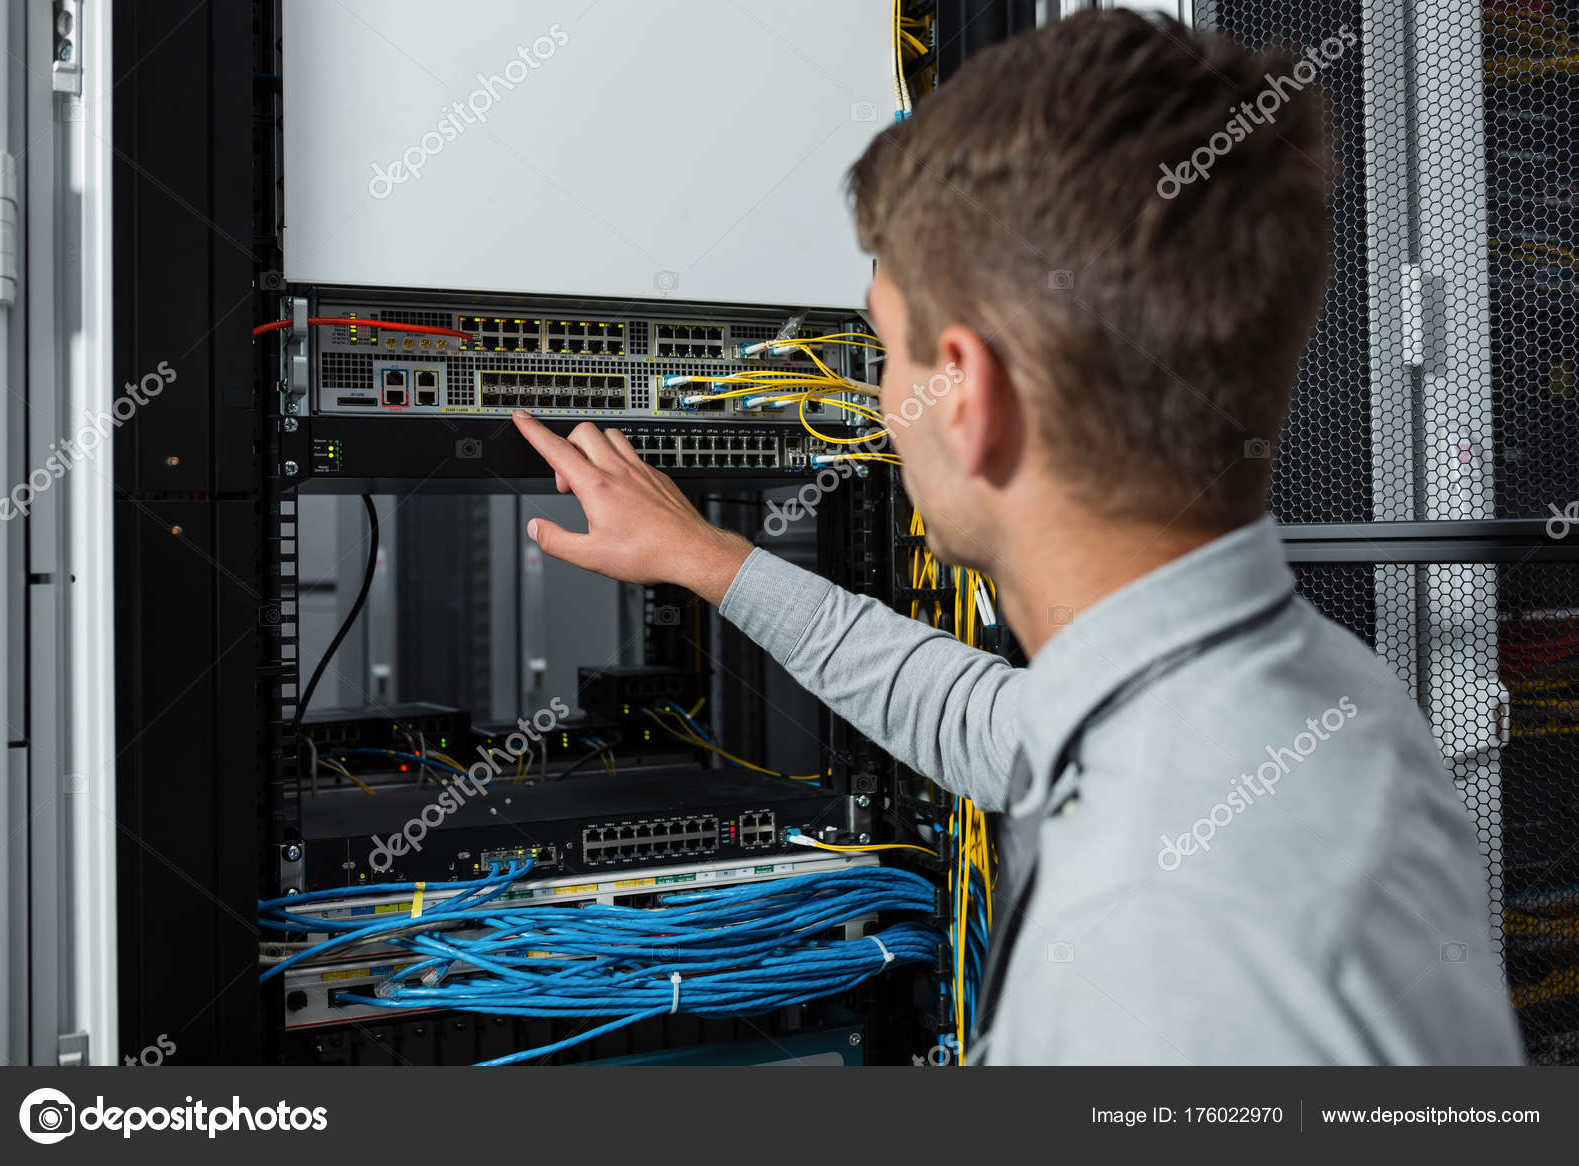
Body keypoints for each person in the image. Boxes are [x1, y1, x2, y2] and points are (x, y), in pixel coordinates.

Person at [509, 11, 1522, 1064]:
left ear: (967, 395)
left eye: (888, 351)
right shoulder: (1300, 694)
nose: (880, 398)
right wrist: (705, 557)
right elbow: (986, 719)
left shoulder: (1160, 941)